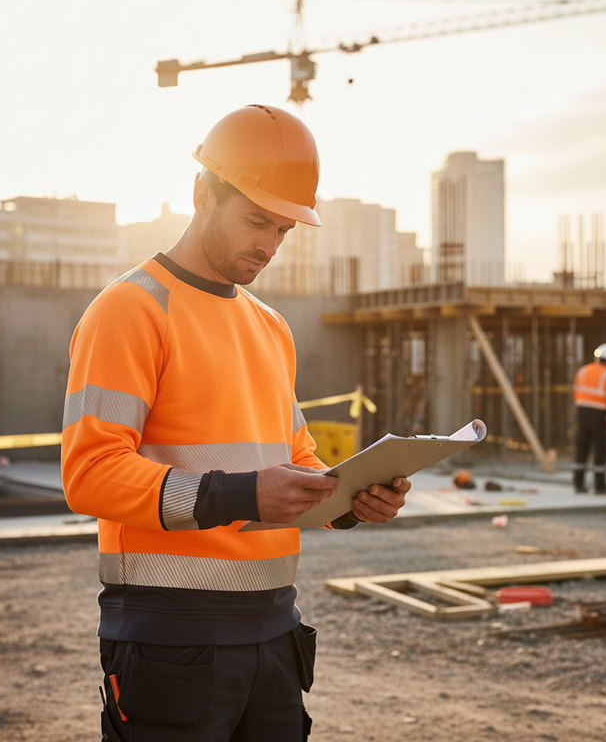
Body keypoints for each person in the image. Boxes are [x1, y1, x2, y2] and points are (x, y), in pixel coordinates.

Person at [60, 104, 411, 742]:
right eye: (257, 221)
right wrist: (244, 494)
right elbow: (90, 475)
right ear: (201, 195)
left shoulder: (270, 327)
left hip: (275, 636)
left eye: (284, 230)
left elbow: (303, 467)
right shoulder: (131, 310)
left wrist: (353, 501)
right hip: (171, 642)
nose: (269, 245)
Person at [571, 343, 606, 494]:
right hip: (598, 415)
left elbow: (576, 393)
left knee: (582, 447)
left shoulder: (582, 370)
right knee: (600, 449)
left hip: (582, 413)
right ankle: (600, 486)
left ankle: (578, 484)